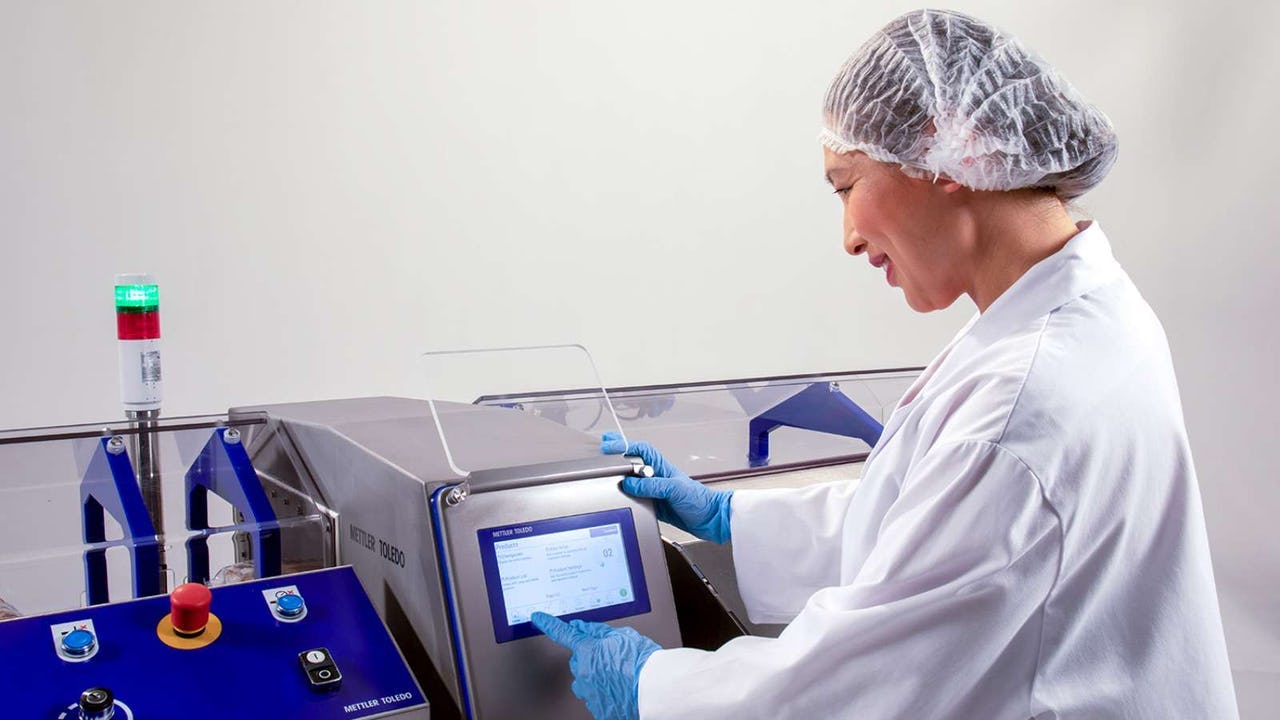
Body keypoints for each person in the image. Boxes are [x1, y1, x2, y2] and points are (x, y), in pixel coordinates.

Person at [532, 8, 1239, 719]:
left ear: (946, 148)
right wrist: (730, 518)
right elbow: (931, 525)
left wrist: (653, 687)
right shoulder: (1082, 311)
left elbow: (855, 688)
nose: (848, 237)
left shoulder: (1022, 403)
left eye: (846, 185)